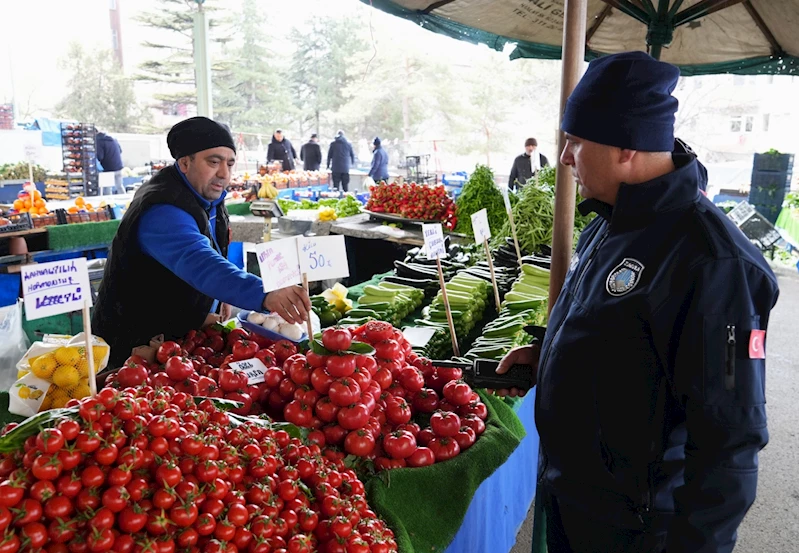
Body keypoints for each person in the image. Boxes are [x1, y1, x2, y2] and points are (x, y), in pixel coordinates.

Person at [494, 51, 779, 553]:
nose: (564, 158)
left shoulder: (714, 263)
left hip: (636, 528)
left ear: (627, 147)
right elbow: (621, 335)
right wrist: (549, 355)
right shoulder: (611, 220)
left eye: (576, 142)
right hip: (573, 496)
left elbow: (729, 443)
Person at [92, 117, 312, 368]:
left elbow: (214, 245)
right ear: (184, 162)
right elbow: (200, 261)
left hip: (176, 338)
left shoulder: (204, 194)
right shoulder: (162, 208)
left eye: (230, 163)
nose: (224, 173)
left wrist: (221, 297)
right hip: (134, 344)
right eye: (213, 162)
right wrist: (264, 293)